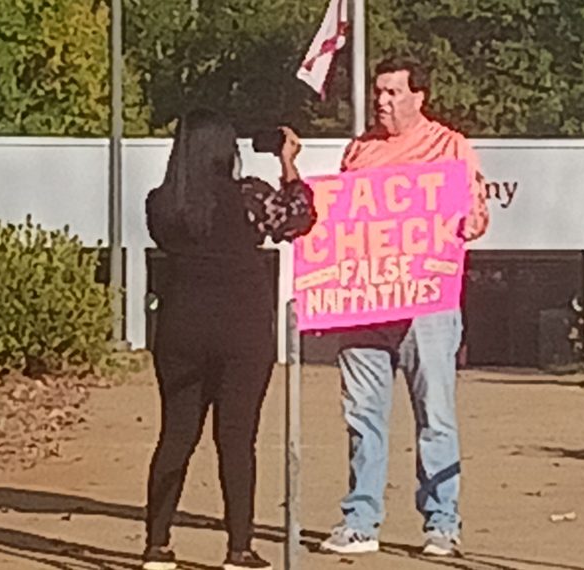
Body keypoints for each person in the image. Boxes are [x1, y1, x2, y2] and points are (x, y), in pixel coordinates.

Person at [319, 56, 490, 557]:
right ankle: (360, 520)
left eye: (393, 92)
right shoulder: (357, 152)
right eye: (379, 91)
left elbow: (477, 216)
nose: (382, 100)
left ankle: (441, 524)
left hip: (427, 310)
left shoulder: (451, 146)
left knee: (435, 416)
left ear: (420, 97)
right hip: (365, 305)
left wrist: (466, 220)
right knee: (362, 417)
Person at [143, 109, 315, 570]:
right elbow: (298, 219)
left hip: (180, 328)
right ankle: (239, 547)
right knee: (237, 439)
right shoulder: (250, 197)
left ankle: (157, 545)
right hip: (242, 330)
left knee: (176, 435)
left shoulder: (161, 202)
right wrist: (288, 162)